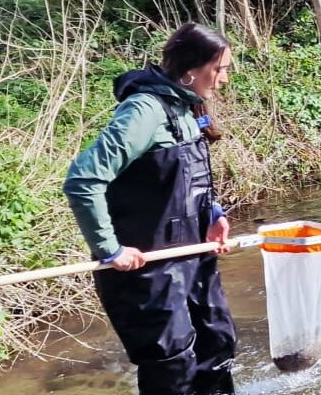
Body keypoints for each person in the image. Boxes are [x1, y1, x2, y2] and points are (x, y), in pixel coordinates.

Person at [63, 23, 239, 394]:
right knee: (172, 365)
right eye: (219, 69)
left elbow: (183, 180)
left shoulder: (187, 107)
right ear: (191, 69)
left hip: (193, 254)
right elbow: (83, 180)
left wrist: (213, 214)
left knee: (217, 343)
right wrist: (110, 249)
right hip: (147, 269)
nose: (224, 79)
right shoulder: (143, 111)